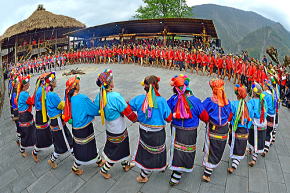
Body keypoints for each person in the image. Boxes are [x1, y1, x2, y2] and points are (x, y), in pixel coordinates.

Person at [94, 69, 138, 179]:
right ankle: (104, 170)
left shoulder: (99, 96)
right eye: (112, 80)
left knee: (120, 147)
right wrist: (135, 119)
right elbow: (127, 111)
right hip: (118, 127)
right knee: (117, 150)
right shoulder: (115, 96)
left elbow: (97, 109)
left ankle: (125, 165)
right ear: (109, 83)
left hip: (110, 126)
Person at [129, 75, 172, 183]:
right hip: (158, 132)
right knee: (158, 150)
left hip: (144, 130)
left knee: (147, 151)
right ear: (157, 86)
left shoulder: (139, 99)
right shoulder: (161, 101)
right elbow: (168, 118)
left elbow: (127, 107)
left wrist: (136, 118)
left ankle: (158, 167)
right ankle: (144, 175)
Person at [167, 74, 209, 186]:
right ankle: (181, 169)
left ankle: (176, 171)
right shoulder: (195, 101)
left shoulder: (173, 99)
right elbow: (204, 117)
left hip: (176, 129)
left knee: (177, 149)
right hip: (190, 131)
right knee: (187, 149)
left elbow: (166, 113)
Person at [63, 76, 105, 175]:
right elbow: (94, 110)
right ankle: (75, 167)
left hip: (76, 128)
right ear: (76, 86)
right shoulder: (82, 98)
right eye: (78, 83)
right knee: (85, 148)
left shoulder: (69, 99)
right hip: (85, 128)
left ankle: (98, 161)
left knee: (83, 147)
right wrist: (99, 98)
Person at [202, 79, 232, 182]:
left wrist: (207, 121)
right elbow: (230, 116)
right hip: (223, 129)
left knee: (210, 146)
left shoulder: (209, 101)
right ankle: (210, 167)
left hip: (212, 128)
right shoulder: (227, 102)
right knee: (218, 148)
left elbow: (202, 112)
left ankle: (207, 172)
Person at [45, 72, 73, 169]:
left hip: (55, 120)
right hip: (57, 121)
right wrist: (69, 101)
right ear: (51, 83)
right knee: (65, 140)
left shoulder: (48, 93)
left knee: (62, 140)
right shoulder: (52, 95)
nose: (56, 81)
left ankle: (52, 159)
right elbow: (61, 105)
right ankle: (78, 159)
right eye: (55, 80)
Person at [227, 84, 250, 173]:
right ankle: (236, 159)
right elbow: (250, 119)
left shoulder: (233, 104)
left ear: (237, 95)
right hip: (244, 129)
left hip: (235, 128)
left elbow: (230, 116)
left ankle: (234, 165)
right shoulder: (248, 106)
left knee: (235, 143)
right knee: (240, 144)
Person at [33, 73, 53, 162]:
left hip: (42, 113)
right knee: (41, 134)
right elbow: (44, 102)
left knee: (47, 131)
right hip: (41, 115)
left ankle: (50, 144)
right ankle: (35, 151)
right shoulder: (41, 90)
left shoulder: (41, 89)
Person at [17, 75, 38, 159]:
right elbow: (32, 101)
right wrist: (36, 91)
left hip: (25, 115)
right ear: (25, 85)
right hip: (25, 116)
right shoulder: (24, 94)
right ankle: (22, 149)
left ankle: (34, 145)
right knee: (26, 133)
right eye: (28, 83)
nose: (29, 84)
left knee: (31, 131)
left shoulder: (23, 93)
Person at [247, 82, 268, 166]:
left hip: (255, 124)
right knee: (259, 140)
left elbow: (250, 113)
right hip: (263, 123)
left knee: (253, 139)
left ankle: (253, 159)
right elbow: (265, 112)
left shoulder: (251, 101)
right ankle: (253, 154)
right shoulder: (263, 100)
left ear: (253, 93)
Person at [261, 79, 275, 156]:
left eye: (264, 85)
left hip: (266, 115)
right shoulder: (273, 94)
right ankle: (266, 148)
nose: (263, 86)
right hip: (272, 115)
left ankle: (260, 146)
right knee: (269, 131)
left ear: (266, 87)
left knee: (264, 130)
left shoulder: (264, 94)